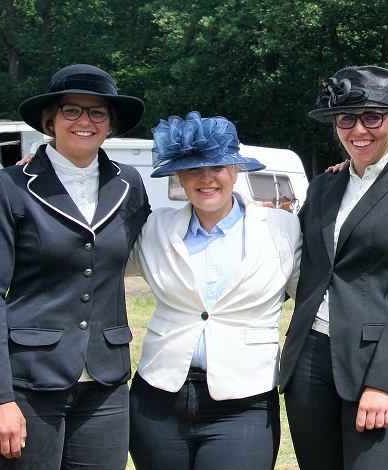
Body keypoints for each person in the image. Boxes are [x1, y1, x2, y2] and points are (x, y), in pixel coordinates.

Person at [0, 64, 149, 469]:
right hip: (28, 384)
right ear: (50, 120)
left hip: (105, 385)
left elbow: (165, 239)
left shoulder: (130, 184)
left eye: (97, 112)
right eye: (71, 110)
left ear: (110, 123)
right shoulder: (12, 186)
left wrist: (243, 212)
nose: (84, 121)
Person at [278, 65, 388, 469]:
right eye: (347, 118)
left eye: (372, 117)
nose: (359, 129)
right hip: (310, 356)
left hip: (376, 361)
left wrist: (385, 382)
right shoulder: (326, 185)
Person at [127, 112, 301, 469]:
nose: (206, 178)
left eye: (218, 166)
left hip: (244, 402)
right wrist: (55, 166)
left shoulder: (283, 228)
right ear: (178, 175)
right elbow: (90, 257)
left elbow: (312, 294)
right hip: (158, 399)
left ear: (236, 170)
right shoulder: (154, 227)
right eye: (192, 169)